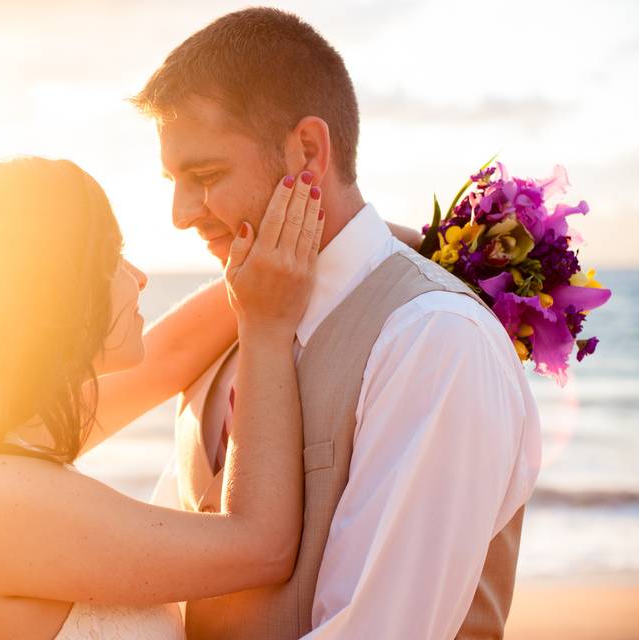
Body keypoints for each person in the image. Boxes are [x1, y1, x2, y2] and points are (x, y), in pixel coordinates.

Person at [131, 7, 542, 639]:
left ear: (309, 151)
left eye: (206, 176)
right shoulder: (232, 332)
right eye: (174, 180)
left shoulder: (435, 339)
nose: (182, 214)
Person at [0, 156, 325, 639]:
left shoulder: (4, 438)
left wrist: (340, 242)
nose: (139, 276)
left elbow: (171, 357)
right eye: (111, 256)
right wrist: (266, 328)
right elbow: (262, 546)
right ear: (47, 287)